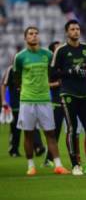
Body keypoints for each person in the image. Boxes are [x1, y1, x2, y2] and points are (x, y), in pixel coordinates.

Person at [51, 20, 86, 175]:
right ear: (67, 32)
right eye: (72, 29)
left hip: (84, 94)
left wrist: (84, 72)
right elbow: (52, 73)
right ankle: (75, 164)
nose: (76, 31)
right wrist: (70, 71)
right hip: (67, 94)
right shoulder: (61, 50)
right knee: (72, 128)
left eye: (78, 29)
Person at [13, 26, 69, 175]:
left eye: (36, 33)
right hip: (27, 100)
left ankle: (58, 165)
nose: (34, 36)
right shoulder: (20, 57)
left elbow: (55, 71)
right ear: (25, 38)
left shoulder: (48, 55)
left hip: (45, 99)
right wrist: (23, 89)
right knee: (28, 134)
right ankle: (31, 166)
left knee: (50, 133)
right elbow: (16, 77)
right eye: (30, 34)